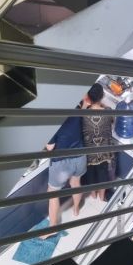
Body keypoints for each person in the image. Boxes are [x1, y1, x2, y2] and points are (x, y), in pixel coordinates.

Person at [41, 94, 90, 238]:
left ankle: (52, 228)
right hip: (80, 157)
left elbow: (50, 147)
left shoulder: (51, 121)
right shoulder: (76, 108)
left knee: (52, 194)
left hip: (62, 163)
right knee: (76, 183)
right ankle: (76, 209)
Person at [82, 83, 115, 202]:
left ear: (88, 97)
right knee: (103, 174)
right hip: (104, 151)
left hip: (89, 152)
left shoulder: (83, 113)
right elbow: (112, 122)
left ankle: (93, 194)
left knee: (90, 173)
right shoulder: (108, 111)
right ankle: (101, 196)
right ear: (102, 96)